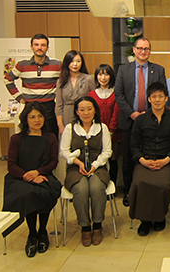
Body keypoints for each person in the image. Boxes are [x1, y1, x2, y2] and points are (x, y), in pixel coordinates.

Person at [2, 102, 61, 258]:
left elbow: (53, 162)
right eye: (32, 117)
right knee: (29, 193)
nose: (37, 120)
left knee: (46, 191)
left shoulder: (50, 137)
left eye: (40, 116)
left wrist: (38, 172)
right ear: (25, 119)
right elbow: (12, 165)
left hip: (43, 175)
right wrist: (28, 176)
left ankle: (42, 231)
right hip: (20, 178)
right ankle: (32, 233)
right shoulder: (16, 138)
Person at [115, 37, 166, 207]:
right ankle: (130, 192)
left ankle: (150, 190)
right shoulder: (123, 70)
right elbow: (119, 95)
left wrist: (147, 114)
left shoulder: (158, 70)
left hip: (152, 120)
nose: (143, 52)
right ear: (134, 50)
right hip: (129, 121)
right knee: (129, 158)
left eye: (147, 49)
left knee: (152, 154)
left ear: (150, 51)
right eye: (140, 48)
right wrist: (132, 114)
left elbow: (162, 94)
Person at [128, 82, 170, 236]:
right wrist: (142, 160)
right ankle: (144, 220)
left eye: (160, 96)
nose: (157, 100)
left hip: (165, 161)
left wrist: (166, 160)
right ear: (149, 99)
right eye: (154, 97)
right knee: (139, 183)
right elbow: (133, 146)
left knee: (163, 185)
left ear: (166, 98)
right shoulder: (141, 120)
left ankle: (159, 217)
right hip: (144, 160)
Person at [60, 96, 112, 247]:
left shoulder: (102, 128)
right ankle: (85, 227)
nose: (86, 113)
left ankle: (97, 225)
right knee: (81, 189)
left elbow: (107, 151)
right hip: (75, 168)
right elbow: (63, 151)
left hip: (98, 168)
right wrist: (77, 162)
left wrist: (95, 165)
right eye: (82, 109)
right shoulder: (70, 128)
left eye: (89, 109)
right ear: (77, 111)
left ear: (95, 110)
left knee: (96, 188)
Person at [4, 33, 61, 136]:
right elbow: (7, 80)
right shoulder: (22, 65)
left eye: (43, 45)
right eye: (36, 44)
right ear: (31, 47)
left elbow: (68, 80)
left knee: (50, 140)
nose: (39, 48)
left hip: (49, 108)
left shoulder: (57, 65)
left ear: (47, 48)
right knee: (29, 140)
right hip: (29, 107)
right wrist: (19, 97)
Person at [88, 64, 121, 184]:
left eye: (106, 74)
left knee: (112, 159)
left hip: (113, 131)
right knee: (97, 158)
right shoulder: (91, 94)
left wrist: (111, 130)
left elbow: (116, 113)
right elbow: (90, 113)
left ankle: (112, 185)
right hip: (96, 131)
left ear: (111, 76)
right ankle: (99, 185)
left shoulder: (116, 92)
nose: (103, 77)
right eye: (100, 74)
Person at [55, 50, 94, 135]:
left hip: (84, 116)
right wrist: (60, 125)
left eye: (78, 61)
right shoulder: (61, 81)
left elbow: (94, 102)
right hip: (66, 116)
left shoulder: (89, 79)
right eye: (72, 61)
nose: (75, 64)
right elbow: (59, 105)